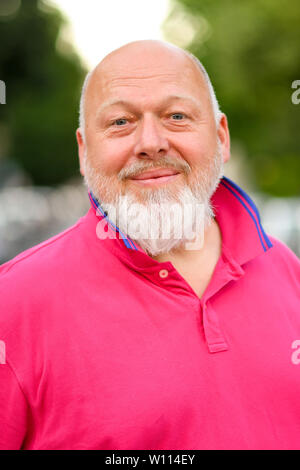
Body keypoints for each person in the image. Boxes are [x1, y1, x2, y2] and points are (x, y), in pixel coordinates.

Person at [0, 40, 300, 451]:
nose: (151, 142)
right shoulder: (13, 302)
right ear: (84, 152)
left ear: (221, 137)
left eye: (177, 116)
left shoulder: (289, 273)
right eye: (121, 122)